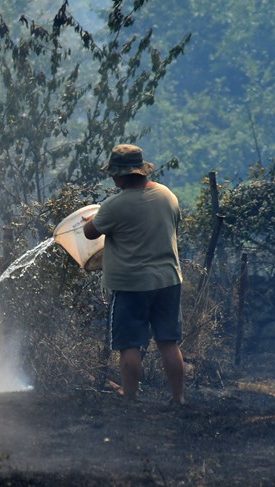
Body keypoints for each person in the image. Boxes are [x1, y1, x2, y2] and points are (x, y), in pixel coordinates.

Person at [83, 144, 186, 405]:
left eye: (113, 174)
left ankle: (130, 398)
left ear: (120, 175)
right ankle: (178, 398)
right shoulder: (167, 196)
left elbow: (90, 233)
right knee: (168, 342)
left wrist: (91, 217)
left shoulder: (114, 206)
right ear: (141, 170)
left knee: (129, 344)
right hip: (168, 281)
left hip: (132, 285)